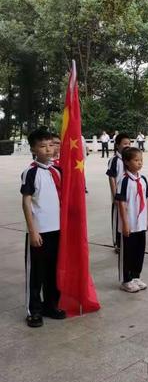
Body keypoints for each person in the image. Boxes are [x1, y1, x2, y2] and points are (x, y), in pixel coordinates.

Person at [21, 128, 66, 327]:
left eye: (51, 144)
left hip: (57, 230)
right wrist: (33, 231)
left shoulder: (58, 170)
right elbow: (26, 202)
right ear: (33, 149)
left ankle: (51, 305)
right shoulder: (31, 172)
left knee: (52, 271)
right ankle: (34, 311)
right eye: (42, 146)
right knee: (37, 273)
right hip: (40, 232)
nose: (48, 149)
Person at [116, 147, 148, 292]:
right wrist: (124, 223)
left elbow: (146, 200)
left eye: (141, 160)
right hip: (129, 223)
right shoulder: (124, 181)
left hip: (140, 223)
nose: (139, 163)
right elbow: (121, 203)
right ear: (127, 162)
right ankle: (126, 279)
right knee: (127, 252)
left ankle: (136, 275)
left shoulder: (142, 179)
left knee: (139, 250)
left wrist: (147, 219)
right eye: (136, 160)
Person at [106, 133, 131, 252]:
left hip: (128, 196)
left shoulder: (129, 160)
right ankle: (117, 243)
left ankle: (126, 240)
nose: (127, 146)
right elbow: (111, 178)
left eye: (129, 144)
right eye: (125, 144)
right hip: (118, 197)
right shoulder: (114, 160)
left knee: (126, 218)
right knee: (118, 218)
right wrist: (115, 194)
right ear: (117, 145)